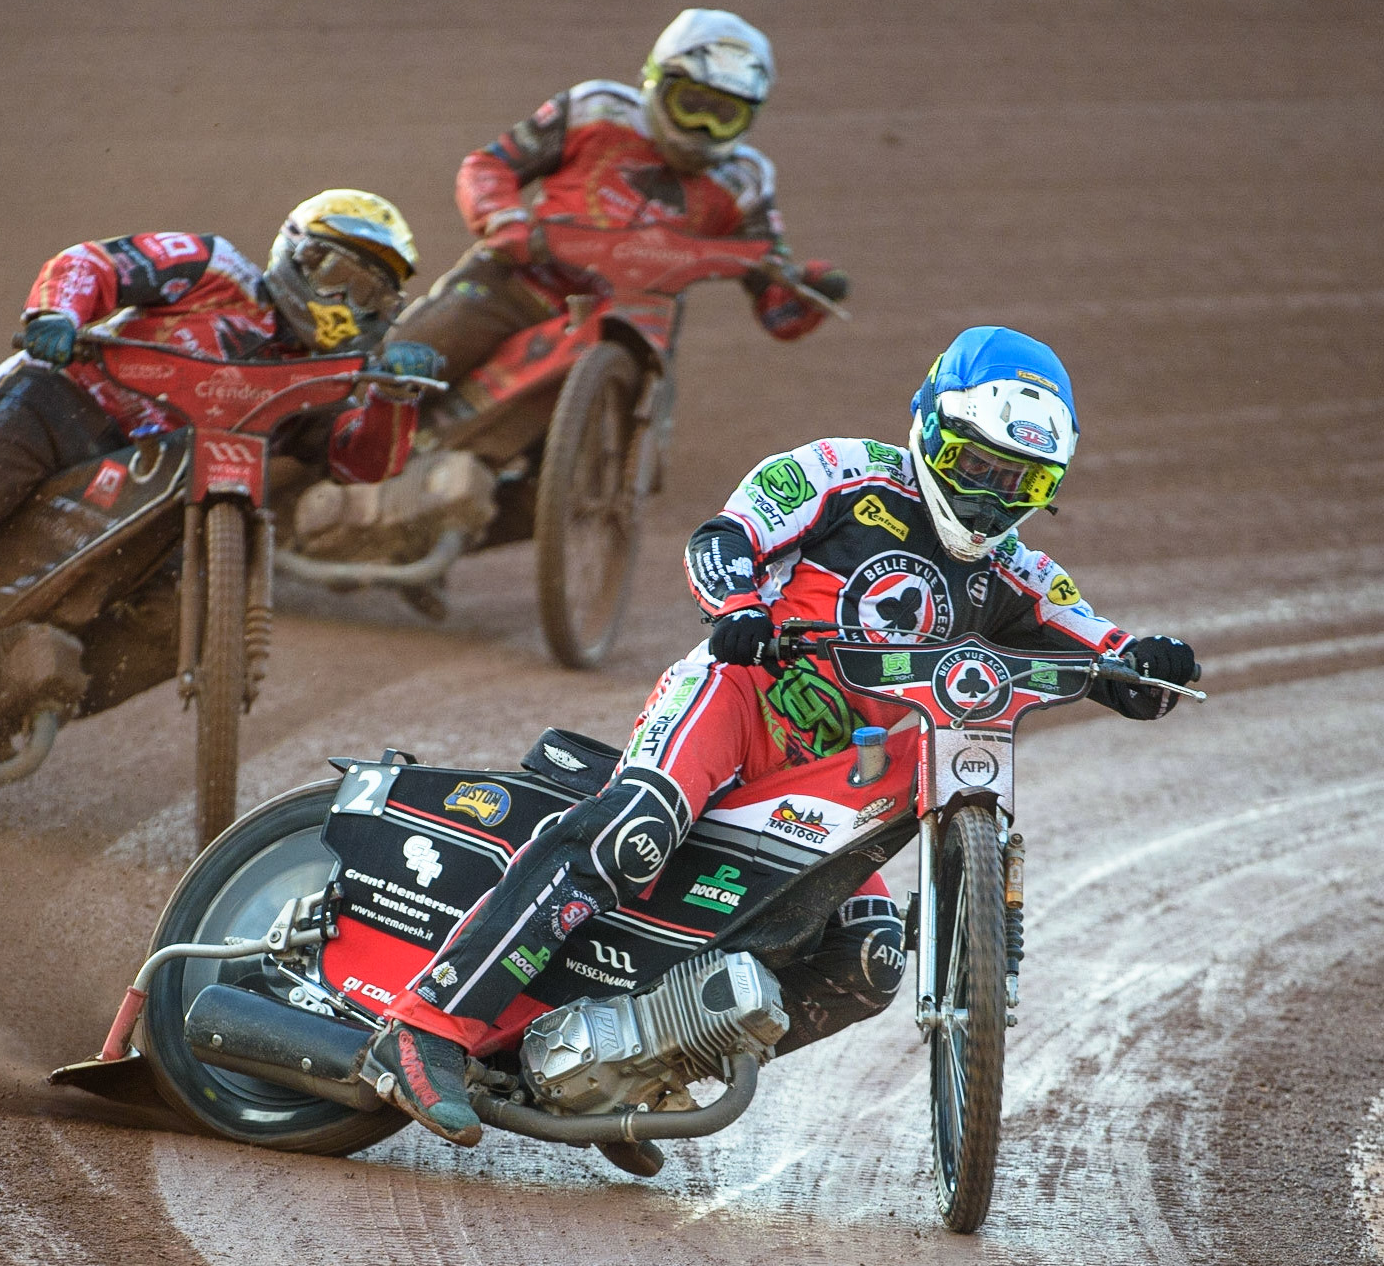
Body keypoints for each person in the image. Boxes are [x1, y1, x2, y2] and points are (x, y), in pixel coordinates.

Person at [361, 326, 1201, 1146]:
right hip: (738, 699)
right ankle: (424, 1024)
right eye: (973, 465)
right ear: (930, 426)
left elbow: (1100, 640)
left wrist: (1145, 664)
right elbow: (723, 538)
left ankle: (639, 1067)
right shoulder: (841, 472)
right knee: (634, 833)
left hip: (847, 770)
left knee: (869, 956)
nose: (987, 497)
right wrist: (740, 609)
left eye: (1017, 482)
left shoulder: (1017, 571)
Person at [0, 190, 442, 784]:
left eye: (370, 292)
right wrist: (58, 315)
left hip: (157, 498)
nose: (346, 301)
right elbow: (92, 264)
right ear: (295, 253)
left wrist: (397, 398)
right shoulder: (215, 268)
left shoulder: (319, 381)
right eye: (335, 273)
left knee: (176, 626)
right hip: (58, 405)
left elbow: (359, 461)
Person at [385, 7, 847, 404]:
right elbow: (490, 165)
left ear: (751, 117)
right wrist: (505, 220)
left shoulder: (746, 181)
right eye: (692, 105)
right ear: (655, 81)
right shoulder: (595, 109)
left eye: (724, 115)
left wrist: (808, 292)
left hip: (634, 325)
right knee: (399, 365)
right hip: (520, 282)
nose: (703, 128)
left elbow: (773, 299)